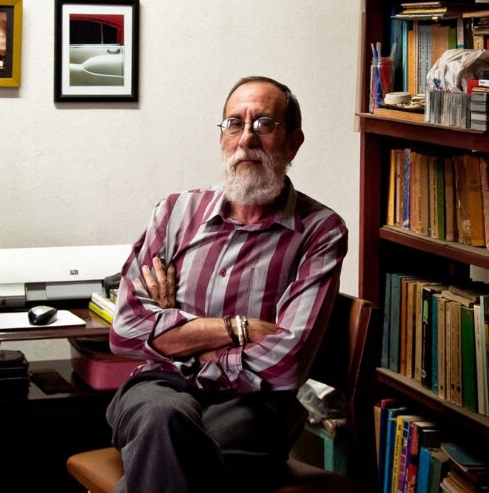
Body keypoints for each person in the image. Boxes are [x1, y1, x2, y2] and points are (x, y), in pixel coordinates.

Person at [107, 76, 348, 492]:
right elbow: (125, 329)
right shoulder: (175, 212)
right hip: (158, 387)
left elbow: (286, 363)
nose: (246, 138)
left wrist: (177, 329)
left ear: (293, 142)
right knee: (162, 421)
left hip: (256, 405)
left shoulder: (319, 231)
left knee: (173, 452)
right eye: (234, 123)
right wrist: (238, 329)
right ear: (222, 137)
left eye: (265, 124)